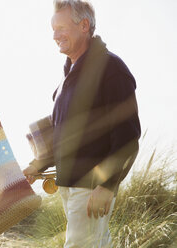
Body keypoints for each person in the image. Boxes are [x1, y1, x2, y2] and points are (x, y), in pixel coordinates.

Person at [23, 0, 141, 247]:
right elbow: (63, 137)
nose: (55, 36)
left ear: (84, 25)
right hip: (69, 189)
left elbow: (128, 138)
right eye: (53, 30)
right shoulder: (65, 82)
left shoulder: (111, 68)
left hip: (90, 188)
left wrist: (107, 186)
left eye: (61, 28)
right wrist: (36, 166)